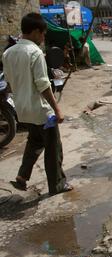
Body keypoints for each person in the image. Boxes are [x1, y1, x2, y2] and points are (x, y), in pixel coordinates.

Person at [2, 13, 73, 195]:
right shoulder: (34, 52)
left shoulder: (8, 53)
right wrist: (57, 110)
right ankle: (57, 184)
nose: (43, 38)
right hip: (42, 112)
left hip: (23, 110)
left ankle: (22, 177)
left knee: (34, 142)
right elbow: (43, 84)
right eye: (43, 34)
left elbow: (9, 83)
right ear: (35, 32)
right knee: (53, 147)